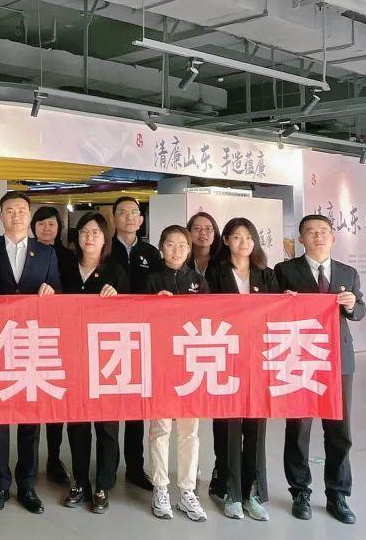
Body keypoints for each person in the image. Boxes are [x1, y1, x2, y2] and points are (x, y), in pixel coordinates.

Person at [275, 214, 365, 525]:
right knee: (298, 428)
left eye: (324, 231)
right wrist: (283, 302)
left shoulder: (348, 272)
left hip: (339, 361)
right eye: (311, 232)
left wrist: (351, 304)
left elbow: (360, 310)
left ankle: (337, 493)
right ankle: (300, 491)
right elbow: (271, 310)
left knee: (339, 429)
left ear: (333, 237)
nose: (318, 237)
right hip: (300, 357)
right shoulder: (285, 270)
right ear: (301, 238)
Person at [0, 191, 59, 514]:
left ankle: (27, 485)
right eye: (9, 210)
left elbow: (58, 289)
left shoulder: (46, 252)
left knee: (29, 420)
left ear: (29, 214)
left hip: (32, 343)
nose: (16, 215)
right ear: (1, 216)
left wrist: (52, 291)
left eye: (22, 210)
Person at [206, 217, 276, 521]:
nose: (243, 242)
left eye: (248, 237)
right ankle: (231, 492)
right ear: (226, 241)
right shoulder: (215, 272)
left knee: (256, 428)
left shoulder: (267, 274)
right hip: (227, 359)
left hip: (259, 360)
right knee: (228, 428)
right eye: (236, 236)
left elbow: (277, 312)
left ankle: (253, 493)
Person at [60, 212, 127, 514]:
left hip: (107, 359)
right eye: (84, 232)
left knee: (107, 426)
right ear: (77, 238)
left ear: (105, 239)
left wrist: (118, 297)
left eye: (96, 233)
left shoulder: (116, 271)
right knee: (77, 423)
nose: (89, 238)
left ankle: (103, 485)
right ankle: (80, 481)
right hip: (73, 356)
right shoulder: (64, 268)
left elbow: (133, 313)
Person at [143, 225, 210, 523]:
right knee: (160, 429)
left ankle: (187, 490)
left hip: (190, 364)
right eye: (170, 244)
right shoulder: (150, 279)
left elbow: (210, 317)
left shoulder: (198, 281)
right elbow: (135, 317)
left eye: (182, 245)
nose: (177, 250)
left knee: (189, 431)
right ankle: (160, 487)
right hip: (160, 363)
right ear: (161, 248)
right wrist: (155, 305)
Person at [106, 196, 161, 490]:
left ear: (141, 220)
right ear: (114, 218)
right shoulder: (105, 249)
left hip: (142, 335)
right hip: (108, 334)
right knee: (110, 404)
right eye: (122, 213)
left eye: (134, 213)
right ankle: (109, 467)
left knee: (136, 407)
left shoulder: (151, 253)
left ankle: (135, 467)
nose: (129, 217)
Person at [29, 206, 73, 486]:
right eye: (41, 223)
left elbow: (71, 291)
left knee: (55, 399)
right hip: (27, 334)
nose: (47, 228)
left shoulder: (67, 256)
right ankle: (30, 461)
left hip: (58, 333)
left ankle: (54, 457)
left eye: (52, 224)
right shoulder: (25, 252)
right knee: (32, 397)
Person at [186, 211, 222, 277]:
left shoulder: (223, 261)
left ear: (214, 233)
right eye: (197, 228)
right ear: (189, 232)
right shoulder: (182, 260)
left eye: (208, 228)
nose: (203, 232)